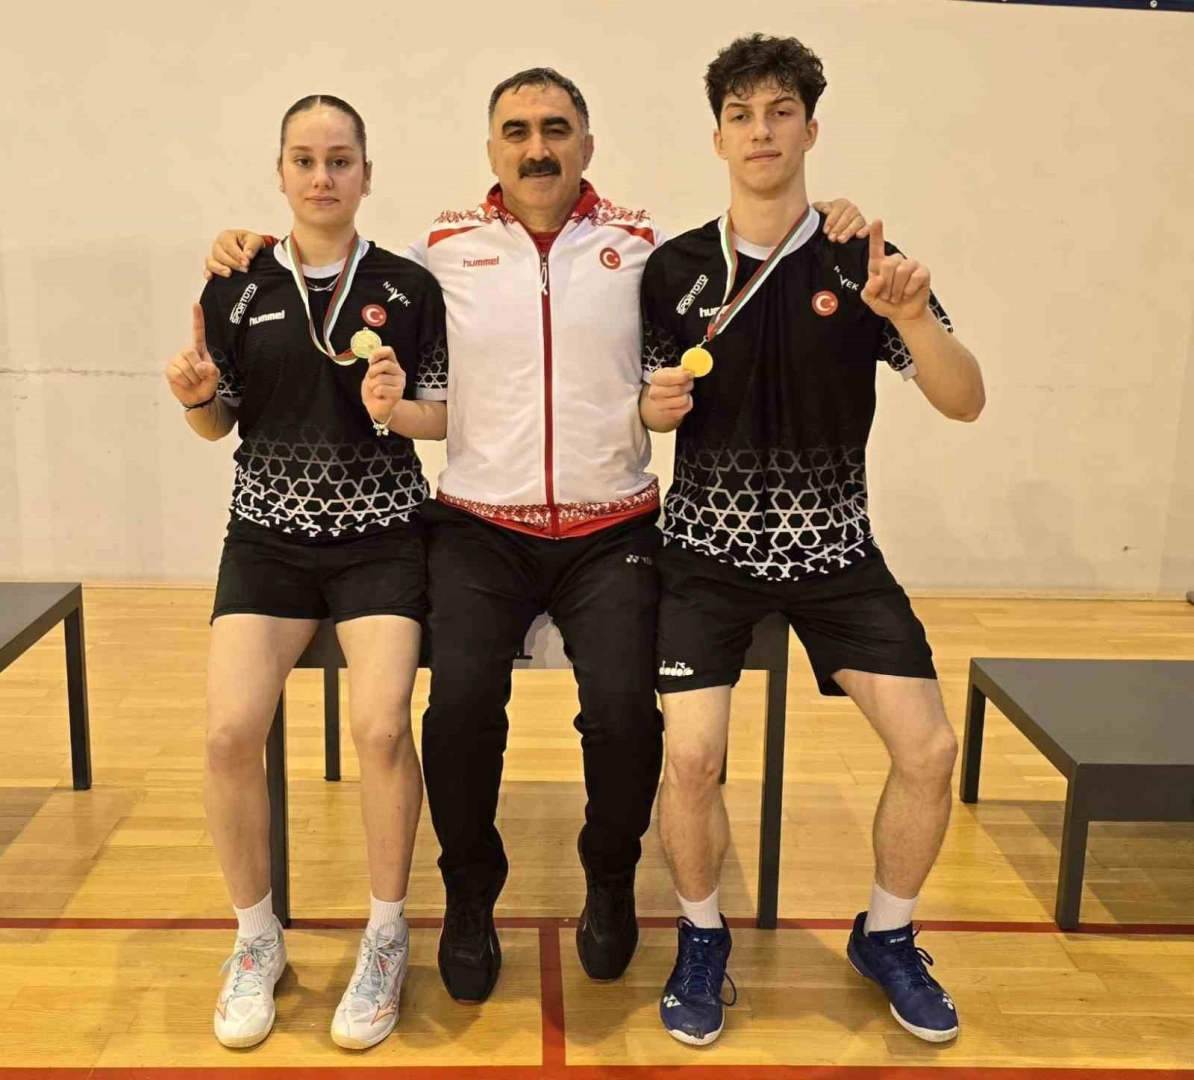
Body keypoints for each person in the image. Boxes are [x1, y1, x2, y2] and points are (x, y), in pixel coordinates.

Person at [204, 68, 869, 1005]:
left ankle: (609, 878)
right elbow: (335, 267)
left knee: (626, 714)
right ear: (492, 150)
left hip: (615, 528)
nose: (537, 146)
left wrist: (828, 216)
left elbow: (750, 244)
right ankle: (470, 897)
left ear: (587, 144)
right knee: (460, 710)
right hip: (478, 529)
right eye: (516, 130)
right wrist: (244, 244)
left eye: (556, 128)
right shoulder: (439, 252)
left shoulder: (643, 248)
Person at [640, 35, 985, 1047]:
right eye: (741, 115)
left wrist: (914, 322)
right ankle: (702, 937)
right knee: (691, 756)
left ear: (810, 129)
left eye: (780, 112)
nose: (761, 131)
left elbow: (965, 399)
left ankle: (887, 934)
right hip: (703, 551)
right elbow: (642, 407)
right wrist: (652, 410)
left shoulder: (861, 258)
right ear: (718, 138)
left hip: (836, 550)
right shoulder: (674, 270)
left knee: (930, 749)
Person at [165, 94, 448, 1050]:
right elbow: (218, 424)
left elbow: (446, 415)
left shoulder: (408, 286)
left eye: (339, 160)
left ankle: (385, 934)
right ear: (281, 173)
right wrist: (198, 401)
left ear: (366, 173)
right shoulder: (236, 284)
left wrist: (401, 407)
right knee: (227, 735)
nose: (322, 176)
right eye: (304, 159)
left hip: (383, 538)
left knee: (380, 729)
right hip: (268, 540)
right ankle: (257, 939)